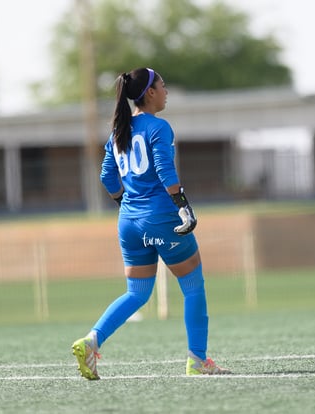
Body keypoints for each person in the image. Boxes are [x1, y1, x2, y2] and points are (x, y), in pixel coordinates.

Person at [72, 67, 231, 380]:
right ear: (150, 93)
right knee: (193, 287)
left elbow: (107, 177)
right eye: (163, 85)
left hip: (128, 222)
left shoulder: (119, 129)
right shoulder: (159, 127)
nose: (167, 90)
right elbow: (164, 170)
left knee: (137, 293)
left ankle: (92, 341)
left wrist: (127, 204)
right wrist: (182, 206)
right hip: (161, 218)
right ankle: (197, 361)